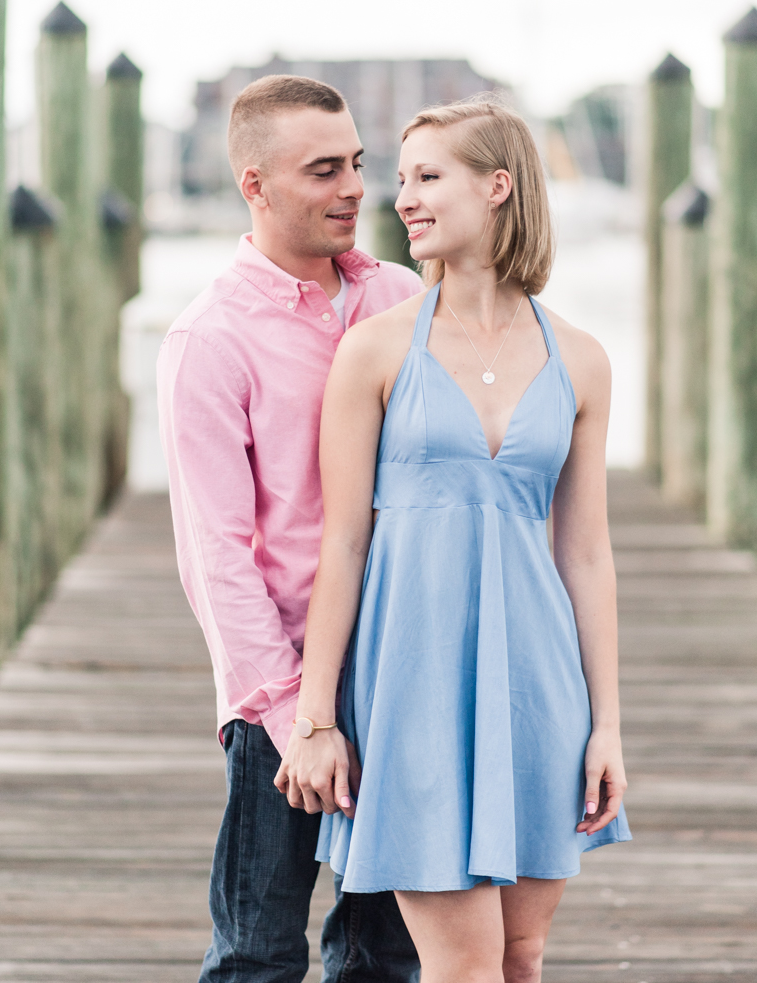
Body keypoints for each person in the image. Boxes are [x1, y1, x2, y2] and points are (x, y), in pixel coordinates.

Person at [275, 97, 632, 983]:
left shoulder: (581, 358)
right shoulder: (374, 353)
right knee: (462, 966)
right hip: (414, 688)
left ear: (499, 186)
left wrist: (607, 724)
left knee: (520, 957)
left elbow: (585, 552)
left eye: (428, 177)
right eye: (403, 180)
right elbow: (345, 544)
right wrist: (317, 716)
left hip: (540, 689)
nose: (403, 199)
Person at [157, 75, 423, 983]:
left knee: (385, 953)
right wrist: (292, 719)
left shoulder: (403, 299)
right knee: (258, 954)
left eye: (357, 162)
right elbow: (217, 558)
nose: (355, 187)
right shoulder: (209, 339)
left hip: (401, 673)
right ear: (256, 185)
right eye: (323, 170)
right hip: (280, 695)